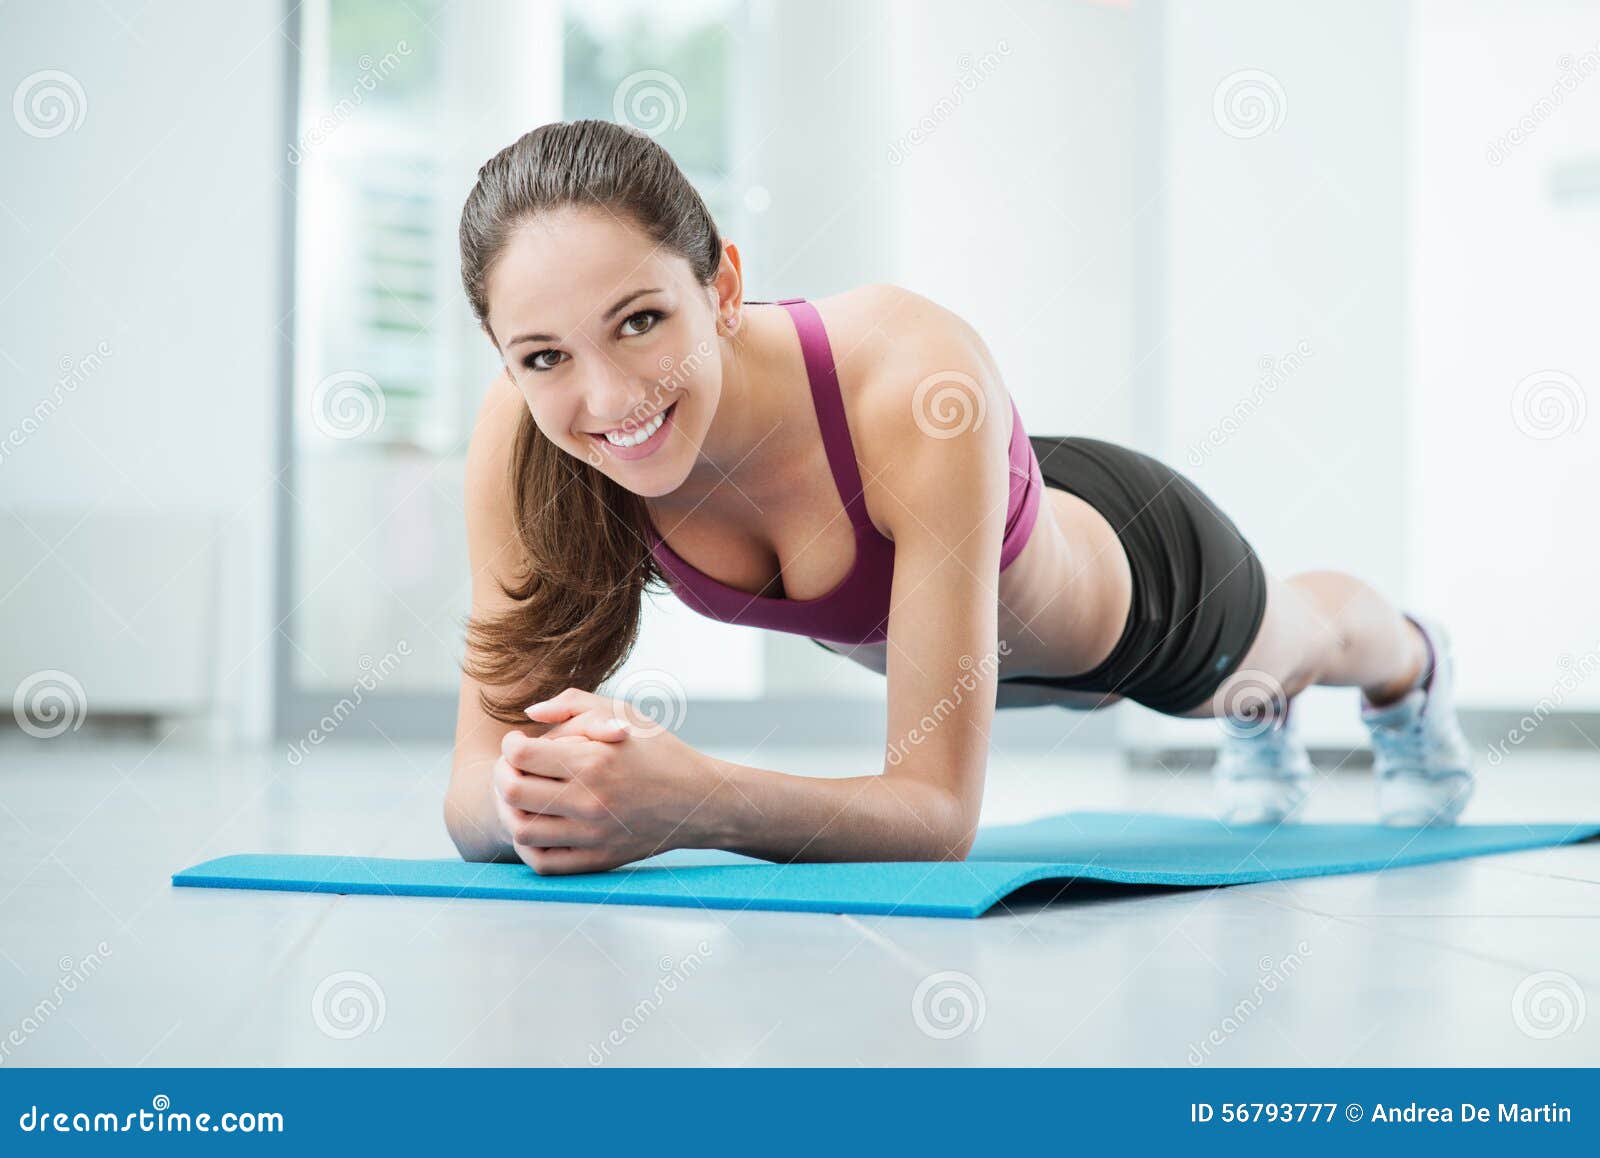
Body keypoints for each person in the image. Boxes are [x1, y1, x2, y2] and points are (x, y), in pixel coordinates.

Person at [442, 119, 1473, 875]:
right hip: (977, 619)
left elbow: (935, 817)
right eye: (542, 355)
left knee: (1299, 650)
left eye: (638, 321)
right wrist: (541, 797)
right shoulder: (526, 438)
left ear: (719, 286)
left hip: (1142, 599)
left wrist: (687, 802)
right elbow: (468, 796)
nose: (609, 397)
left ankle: (1412, 669)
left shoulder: (905, 374)